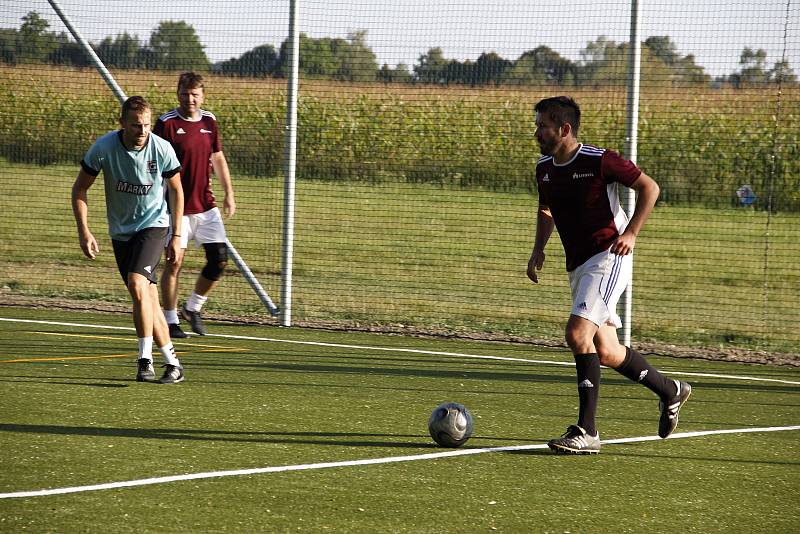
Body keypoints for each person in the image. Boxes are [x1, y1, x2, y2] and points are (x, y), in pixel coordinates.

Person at [527, 96, 691, 454]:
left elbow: (650, 188)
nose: (536, 131)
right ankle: (670, 390)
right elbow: (546, 207)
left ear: (564, 129)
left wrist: (630, 233)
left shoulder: (600, 160)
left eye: (542, 125)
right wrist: (538, 249)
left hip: (608, 256)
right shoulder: (544, 168)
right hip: (579, 265)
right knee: (607, 350)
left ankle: (587, 432)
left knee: (576, 333)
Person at [71, 96, 185, 384]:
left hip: (154, 226)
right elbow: (80, 190)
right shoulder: (104, 148)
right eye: (135, 125)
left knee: (137, 283)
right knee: (146, 297)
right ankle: (173, 364)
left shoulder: (162, 149)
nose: (142, 131)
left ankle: (144, 360)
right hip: (122, 233)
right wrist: (84, 230)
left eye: (146, 125)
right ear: (121, 123)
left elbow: (176, 191)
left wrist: (176, 234)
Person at [154, 72, 236, 338]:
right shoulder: (166, 124)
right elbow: (153, 165)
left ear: (203, 95)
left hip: (206, 206)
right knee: (174, 263)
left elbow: (218, 157)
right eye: (185, 93)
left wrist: (229, 193)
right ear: (178, 93)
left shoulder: (210, 121)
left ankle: (193, 308)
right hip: (175, 209)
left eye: (195, 94)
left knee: (220, 259)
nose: (190, 99)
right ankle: (170, 321)